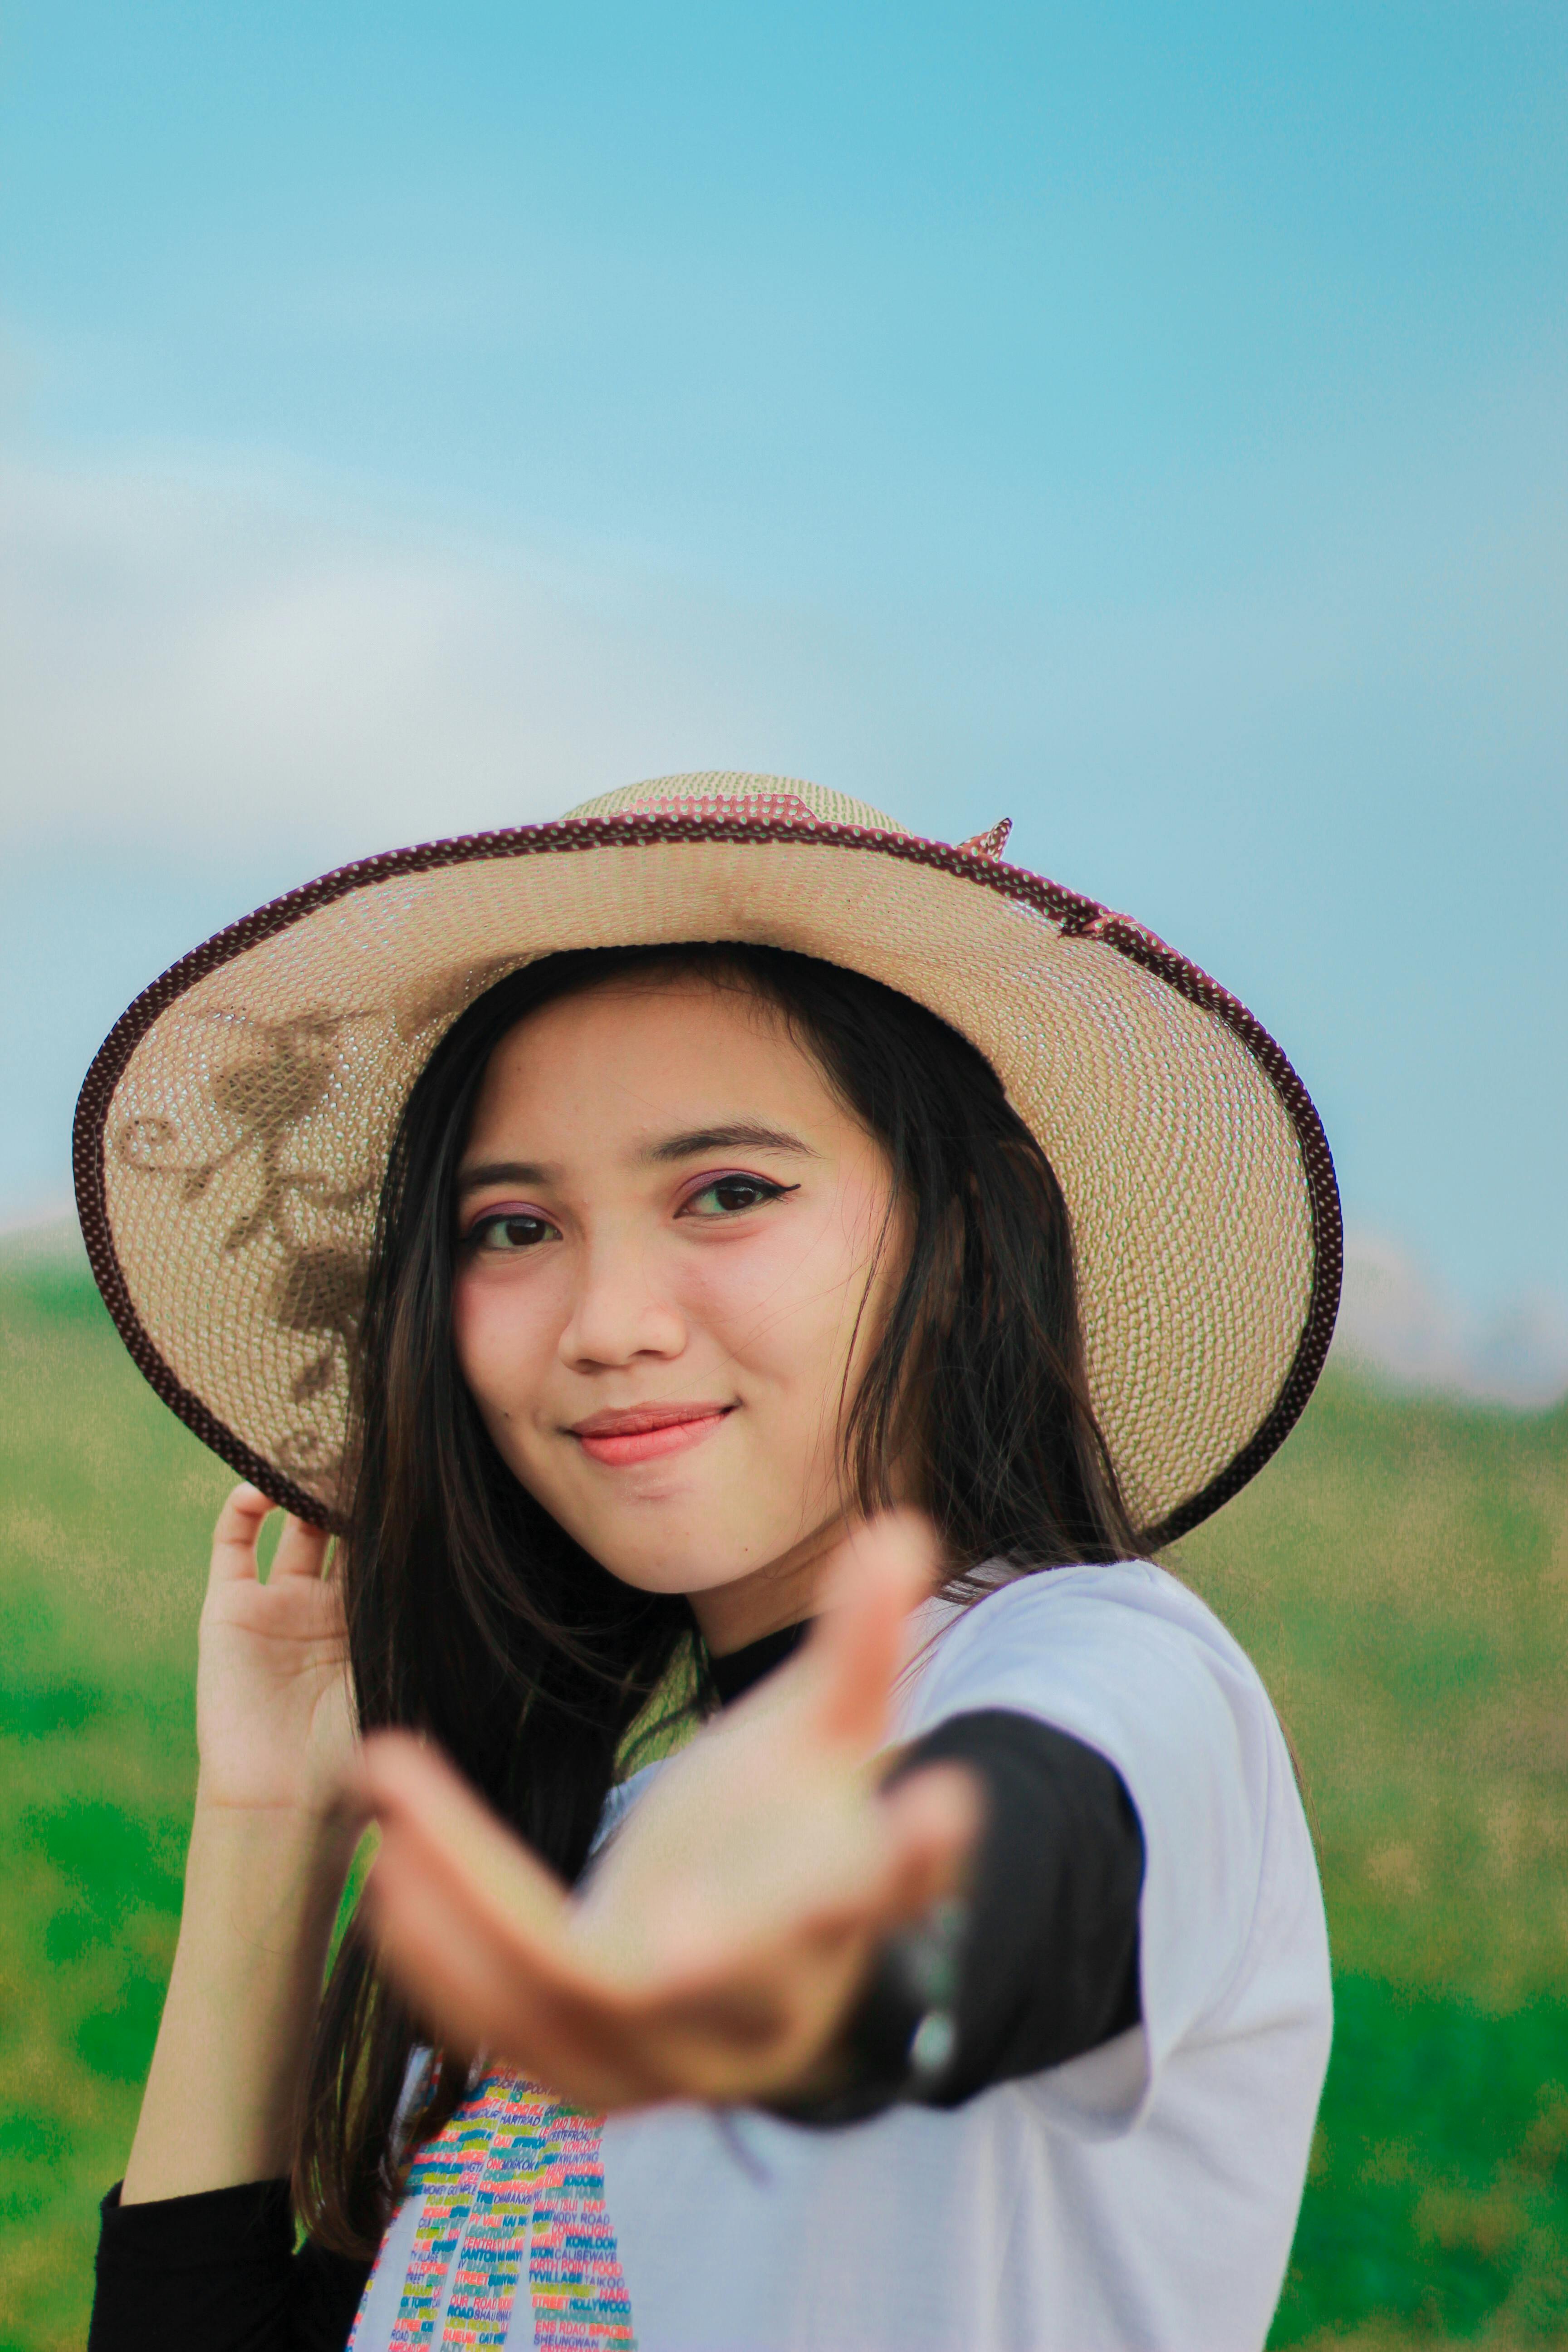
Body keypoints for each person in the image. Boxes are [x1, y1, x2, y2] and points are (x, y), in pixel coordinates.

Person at [77, 773, 1338, 2352]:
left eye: (729, 1194)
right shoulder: (594, 1856)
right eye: (514, 1227)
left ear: (966, 1231)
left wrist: (816, 1947)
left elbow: (1014, 1879)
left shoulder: (1109, 1667)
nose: (609, 1324)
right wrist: (273, 1820)